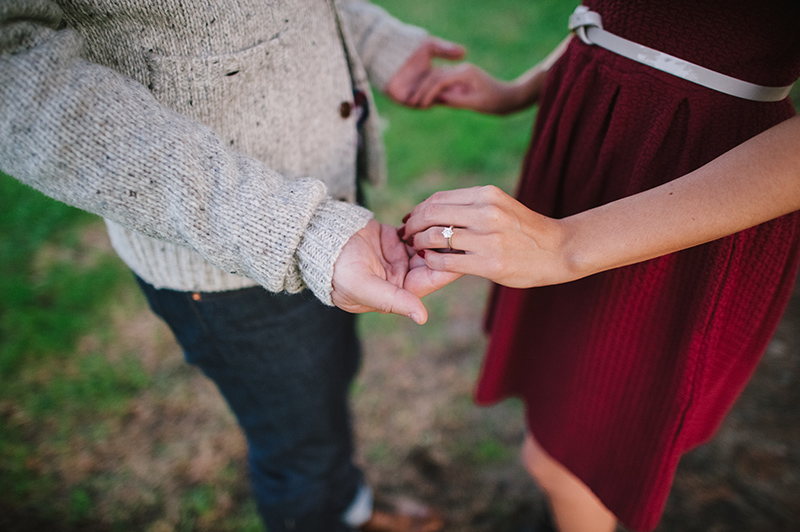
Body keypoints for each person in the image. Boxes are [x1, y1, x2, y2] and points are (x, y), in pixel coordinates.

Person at [0, 1, 460, 531]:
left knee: (325, 391)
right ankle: (324, 511)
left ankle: (346, 503)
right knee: (298, 446)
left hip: (334, 231)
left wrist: (376, 40)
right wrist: (299, 232)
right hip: (231, 263)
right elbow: (19, 72)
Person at [401, 1, 800, 531]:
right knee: (558, 391)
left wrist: (566, 245)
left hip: (690, 191)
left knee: (575, 463)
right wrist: (521, 88)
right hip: (583, 151)